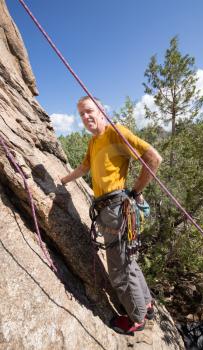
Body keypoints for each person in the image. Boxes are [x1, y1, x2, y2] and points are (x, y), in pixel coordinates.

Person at [61, 96, 162, 334]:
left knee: (119, 269)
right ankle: (146, 304)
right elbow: (84, 168)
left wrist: (135, 191)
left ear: (102, 112)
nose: (86, 118)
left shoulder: (116, 132)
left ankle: (136, 319)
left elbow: (153, 158)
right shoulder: (94, 142)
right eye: (81, 115)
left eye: (89, 111)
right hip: (111, 209)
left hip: (116, 209)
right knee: (128, 261)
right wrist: (63, 180)